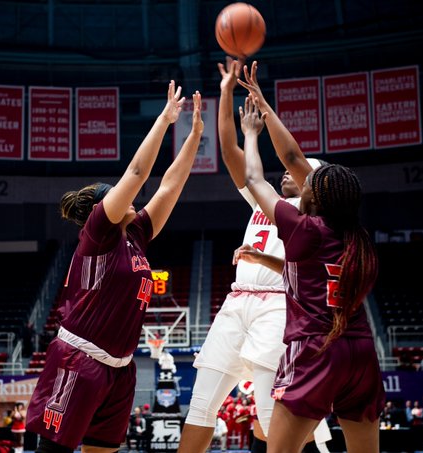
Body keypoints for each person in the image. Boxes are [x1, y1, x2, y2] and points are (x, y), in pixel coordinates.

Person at [25, 80, 204, 453]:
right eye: (120, 194)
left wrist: (194, 137)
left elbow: (170, 186)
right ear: (99, 209)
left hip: (121, 368)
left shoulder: (135, 235)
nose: (134, 197)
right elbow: (137, 173)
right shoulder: (99, 232)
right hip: (79, 359)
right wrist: (166, 119)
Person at [176, 57, 330, 453]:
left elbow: (293, 158)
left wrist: (262, 118)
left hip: (279, 309)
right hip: (235, 302)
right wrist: (226, 92)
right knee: (200, 406)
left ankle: (317, 442)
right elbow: (230, 153)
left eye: (299, 173)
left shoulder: (316, 217)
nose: (285, 174)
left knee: (269, 419)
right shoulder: (268, 204)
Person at [236, 60, 385, 453]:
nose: (301, 177)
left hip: (316, 351)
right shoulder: (359, 238)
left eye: (310, 183)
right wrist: (265, 105)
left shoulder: (305, 231)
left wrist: (251, 132)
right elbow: (295, 158)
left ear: (314, 197)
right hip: (361, 351)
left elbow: (255, 179)